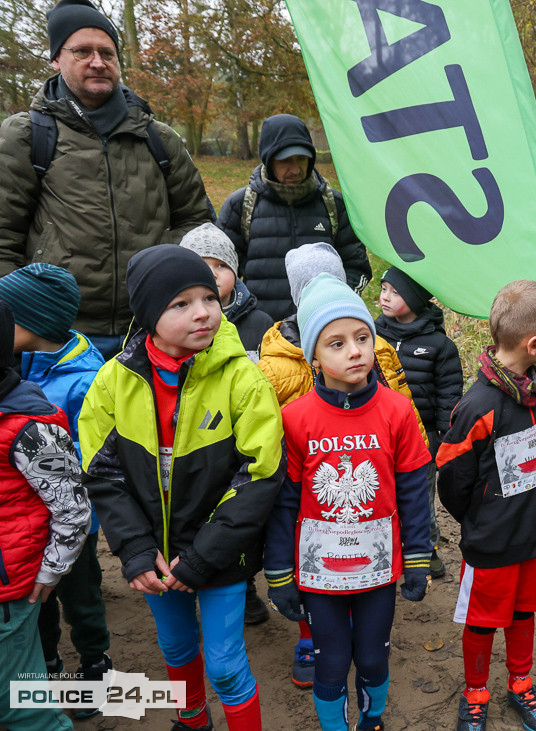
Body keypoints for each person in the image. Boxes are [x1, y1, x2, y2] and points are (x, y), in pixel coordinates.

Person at [79, 245, 286, 730]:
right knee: (174, 647)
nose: (203, 313)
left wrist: (204, 555)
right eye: (181, 304)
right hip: (153, 558)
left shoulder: (243, 380)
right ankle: (192, 721)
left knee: (226, 665)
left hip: (218, 556)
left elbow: (260, 474)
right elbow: (102, 473)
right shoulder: (113, 382)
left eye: (208, 298)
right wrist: (133, 548)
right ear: (150, 314)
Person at [263, 273, 432, 731]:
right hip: (321, 577)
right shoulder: (295, 420)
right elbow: (284, 502)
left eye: (361, 337)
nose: (354, 351)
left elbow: (416, 486)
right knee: (332, 664)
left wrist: (417, 555)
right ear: (313, 356)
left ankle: (372, 719)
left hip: (377, 572)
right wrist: (280, 572)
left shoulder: (396, 411)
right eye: (336, 343)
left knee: (373, 661)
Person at [0, 0, 212, 359]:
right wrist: (25, 319)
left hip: (152, 330)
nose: (97, 62)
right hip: (57, 339)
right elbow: (3, 240)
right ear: (56, 59)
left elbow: (197, 223)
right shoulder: (25, 136)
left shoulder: (160, 139)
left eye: (107, 53)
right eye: (82, 51)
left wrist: (169, 285)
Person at [437, 280, 536, 731]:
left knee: (524, 610)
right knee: (482, 618)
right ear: (534, 344)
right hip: (491, 543)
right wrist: (481, 519)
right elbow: (452, 478)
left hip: (533, 538)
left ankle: (519, 682)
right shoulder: (479, 406)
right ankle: (475, 691)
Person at [0, 263, 112, 717]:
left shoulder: (85, 379)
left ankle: (94, 664)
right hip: (27, 529)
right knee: (37, 602)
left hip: (73, 523)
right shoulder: (18, 362)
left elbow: (100, 448)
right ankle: (43, 665)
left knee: (81, 598)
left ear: (33, 322)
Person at [217, 114, 372, 321]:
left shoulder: (333, 204)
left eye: (302, 159)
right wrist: (246, 316)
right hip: (259, 329)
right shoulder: (241, 205)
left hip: (321, 326)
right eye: (286, 161)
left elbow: (356, 265)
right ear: (269, 160)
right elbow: (220, 271)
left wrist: (336, 308)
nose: (296, 169)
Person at [375, 266, 464, 579]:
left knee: (420, 496)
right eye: (384, 288)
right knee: (383, 493)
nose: (384, 297)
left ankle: (427, 548)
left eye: (395, 292)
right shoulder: (373, 335)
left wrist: (443, 438)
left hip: (421, 437)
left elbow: (448, 395)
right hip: (381, 434)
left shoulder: (440, 347)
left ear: (414, 298)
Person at [180, 222, 274, 364]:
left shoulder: (261, 323)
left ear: (235, 271)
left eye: (221, 265)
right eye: (202, 265)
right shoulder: (175, 321)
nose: (212, 274)